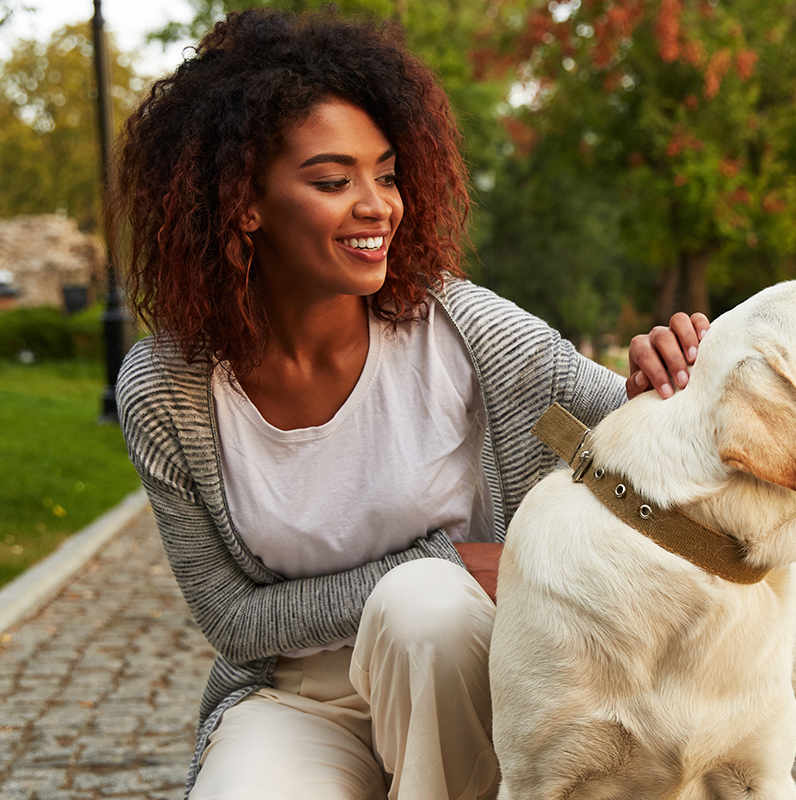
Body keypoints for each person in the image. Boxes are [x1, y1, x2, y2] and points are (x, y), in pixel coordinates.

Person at [111, 10, 706, 800]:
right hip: (302, 697)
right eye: (332, 181)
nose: (377, 206)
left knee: (427, 610)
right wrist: (449, 560)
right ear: (242, 204)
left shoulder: (466, 330)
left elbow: (636, 436)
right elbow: (233, 620)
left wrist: (657, 376)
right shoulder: (168, 389)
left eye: (386, 174)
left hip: (475, 677)